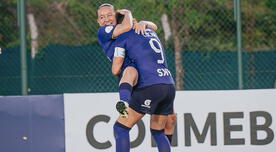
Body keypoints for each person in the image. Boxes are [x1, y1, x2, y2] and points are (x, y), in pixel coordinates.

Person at [97, 4, 176, 151]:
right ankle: (125, 102)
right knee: (158, 132)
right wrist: (144, 23)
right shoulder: (147, 31)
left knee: (120, 128)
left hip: (149, 86)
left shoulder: (122, 37)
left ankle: (124, 102)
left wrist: (127, 12)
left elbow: (115, 69)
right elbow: (154, 26)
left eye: (109, 16)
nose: (106, 20)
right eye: (102, 17)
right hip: (168, 84)